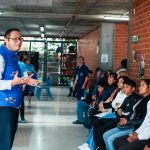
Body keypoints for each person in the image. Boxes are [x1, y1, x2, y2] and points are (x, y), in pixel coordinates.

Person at [0, 28, 39, 150]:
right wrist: (13, 82)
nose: (19, 42)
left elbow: (13, 77)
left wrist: (25, 80)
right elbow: (10, 81)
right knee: (4, 143)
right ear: (6, 40)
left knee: (8, 141)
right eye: (15, 39)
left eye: (20, 39)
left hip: (13, 106)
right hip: (3, 107)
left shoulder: (14, 56)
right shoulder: (1, 56)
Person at [72, 56, 89, 124]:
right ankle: (81, 117)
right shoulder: (77, 68)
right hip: (78, 87)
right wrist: (74, 85)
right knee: (79, 100)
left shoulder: (85, 68)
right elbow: (76, 77)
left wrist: (84, 84)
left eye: (81, 60)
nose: (79, 61)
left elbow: (87, 77)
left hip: (83, 87)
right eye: (78, 60)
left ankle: (83, 118)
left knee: (84, 101)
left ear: (83, 60)